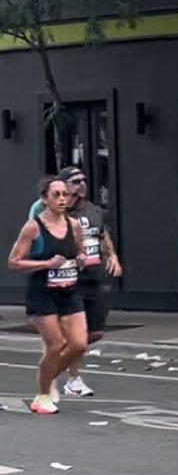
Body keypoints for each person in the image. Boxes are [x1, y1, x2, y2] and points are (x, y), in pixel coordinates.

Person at [28, 166, 124, 399]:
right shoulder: (52, 212)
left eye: (83, 180)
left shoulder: (93, 210)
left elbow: (102, 235)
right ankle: (72, 379)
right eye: (75, 181)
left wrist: (112, 257)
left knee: (95, 333)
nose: (81, 184)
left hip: (93, 277)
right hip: (68, 281)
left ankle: (53, 368)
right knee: (70, 337)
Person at [8, 176, 89, 414]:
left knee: (79, 344)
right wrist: (46, 264)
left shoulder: (74, 225)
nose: (63, 199)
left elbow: (80, 251)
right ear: (44, 199)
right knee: (55, 345)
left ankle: (47, 375)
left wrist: (81, 259)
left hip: (69, 290)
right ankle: (42, 396)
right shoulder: (33, 227)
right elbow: (14, 262)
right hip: (43, 292)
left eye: (65, 194)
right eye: (56, 195)